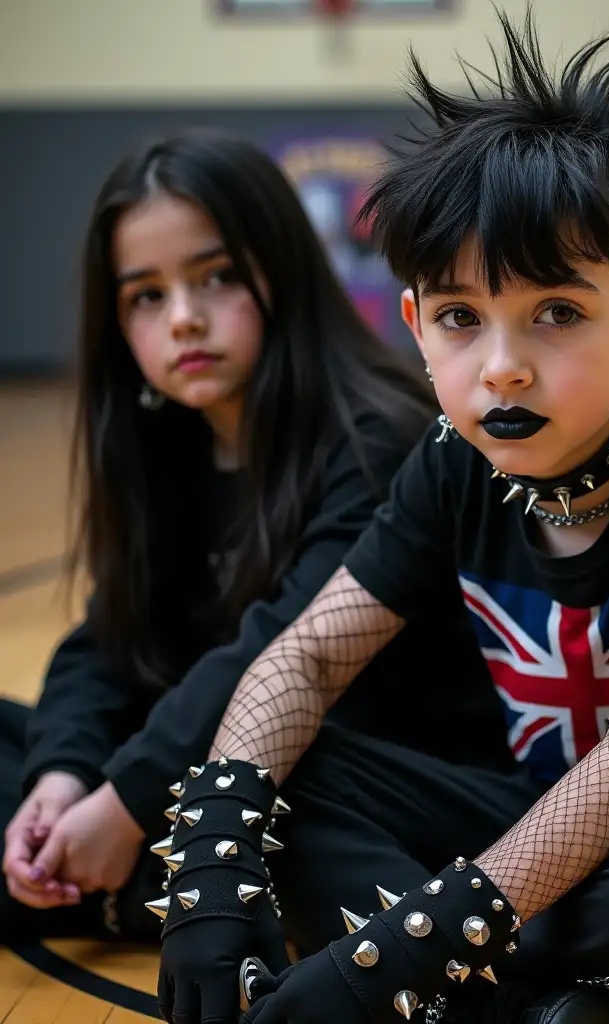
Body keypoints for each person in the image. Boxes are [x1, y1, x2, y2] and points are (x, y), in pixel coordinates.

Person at [153, 14, 609, 1024]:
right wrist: (214, 853)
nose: (500, 363)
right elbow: (308, 658)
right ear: (415, 327)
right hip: (544, 837)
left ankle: (466, 986)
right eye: (460, 316)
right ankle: (522, 1008)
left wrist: (381, 962)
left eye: (556, 311)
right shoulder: (453, 458)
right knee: (287, 766)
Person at [0, 127, 509, 952]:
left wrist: (127, 801)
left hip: (359, 779)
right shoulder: (168, 443)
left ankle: (110, 889)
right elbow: (107, 642)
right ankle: (107, 882)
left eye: (219, 277)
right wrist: (62, 779)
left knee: (271, 791)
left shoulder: (374, 437)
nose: (186, 320)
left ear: (286, 271)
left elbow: (273, 659)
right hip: (201, 766)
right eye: (147, 296)